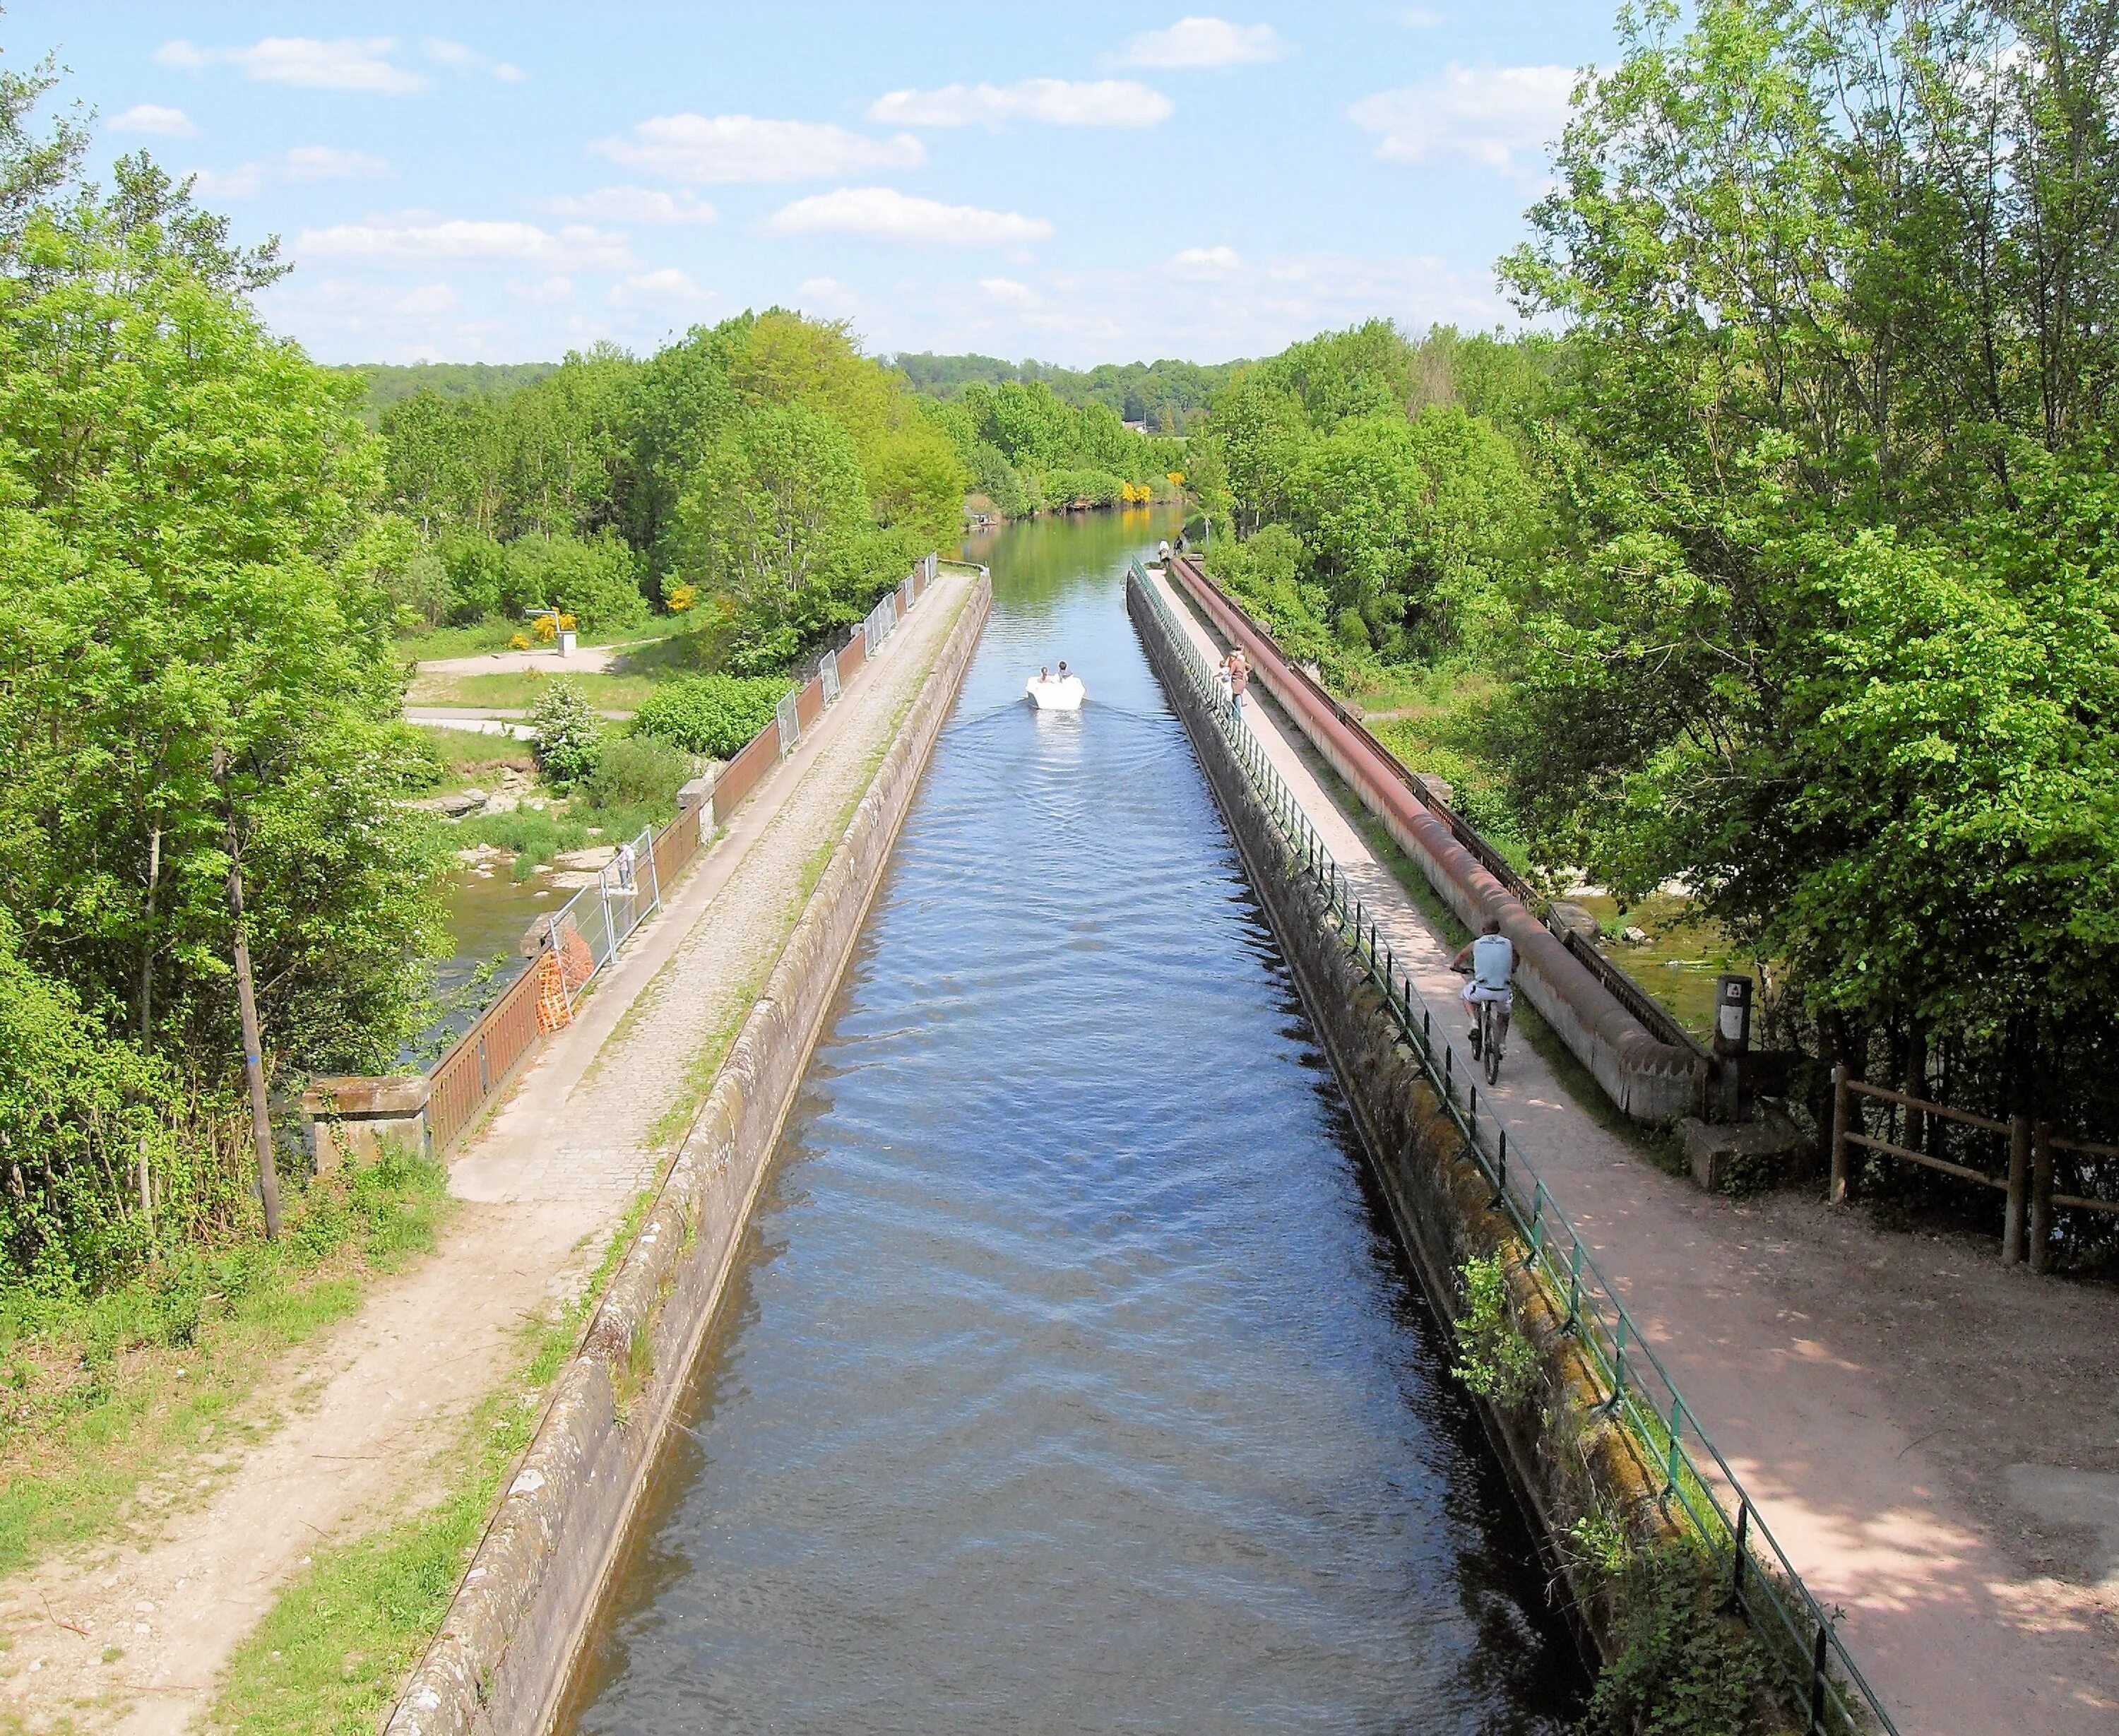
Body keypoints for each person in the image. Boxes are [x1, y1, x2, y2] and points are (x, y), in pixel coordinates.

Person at [1450, 916, 1514, 1054]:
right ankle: (1502, 1043)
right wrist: (1512, 969)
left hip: (1482, 990)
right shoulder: (1508, 944)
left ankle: (1474, 1023)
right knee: (1504, 1014)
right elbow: (1516, 958)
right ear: (1499, 930)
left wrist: (1456, 967)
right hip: (1503, 991)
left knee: (1466, 996)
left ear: (1483, 930)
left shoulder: (1476, 944)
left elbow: (1461, 957)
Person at [1228, 648, 1251, 714]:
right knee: (1236, 697)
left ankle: (1236, 715)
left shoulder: (1235, 663)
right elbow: (1250, 667)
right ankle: (1235, 714)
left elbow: (1230, 673)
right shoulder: (1243, 663)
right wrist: (1246, 672)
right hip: (1242, 682)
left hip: (1236, 682)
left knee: (1236, 699)